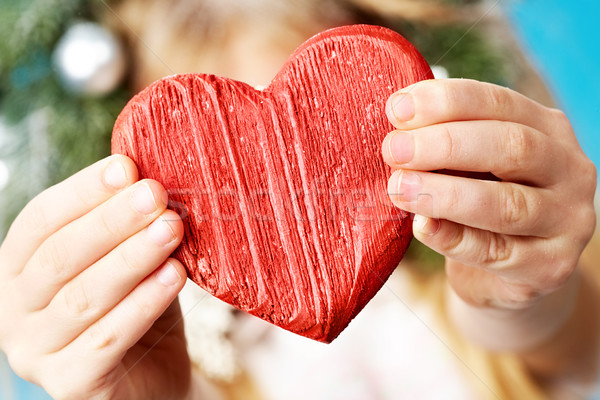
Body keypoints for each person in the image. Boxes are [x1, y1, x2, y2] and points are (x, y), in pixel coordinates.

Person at [0, 0, 598, 399]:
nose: (293, 206)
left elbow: (564, 344)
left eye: (332, 146)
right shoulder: (198, 363)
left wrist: (519, 294)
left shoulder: (456, 276)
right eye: (234, 183)